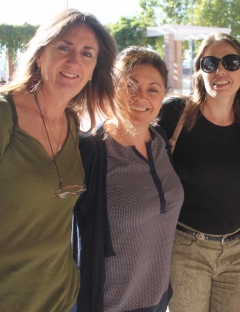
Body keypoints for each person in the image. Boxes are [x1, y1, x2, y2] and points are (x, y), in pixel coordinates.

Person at [0, 9, 117, 312]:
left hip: (63, 299)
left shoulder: (71, 123)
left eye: (87, 53)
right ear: (40, 55)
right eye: (63, 47)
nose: (74, 61)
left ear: (95, 68)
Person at [74, 46, 184, 312]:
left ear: (162, 97)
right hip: (112, 302)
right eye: (130, 86)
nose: (140, 97)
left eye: (152, 89)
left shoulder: (161, 143)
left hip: (157, 296)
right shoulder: (93, 152)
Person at [158, 33, 240, 312]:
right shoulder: (175, 114)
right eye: (210, 63)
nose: (220, 70)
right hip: (186, 249)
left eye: (231, 62)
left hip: (237, 252)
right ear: (200, 71)